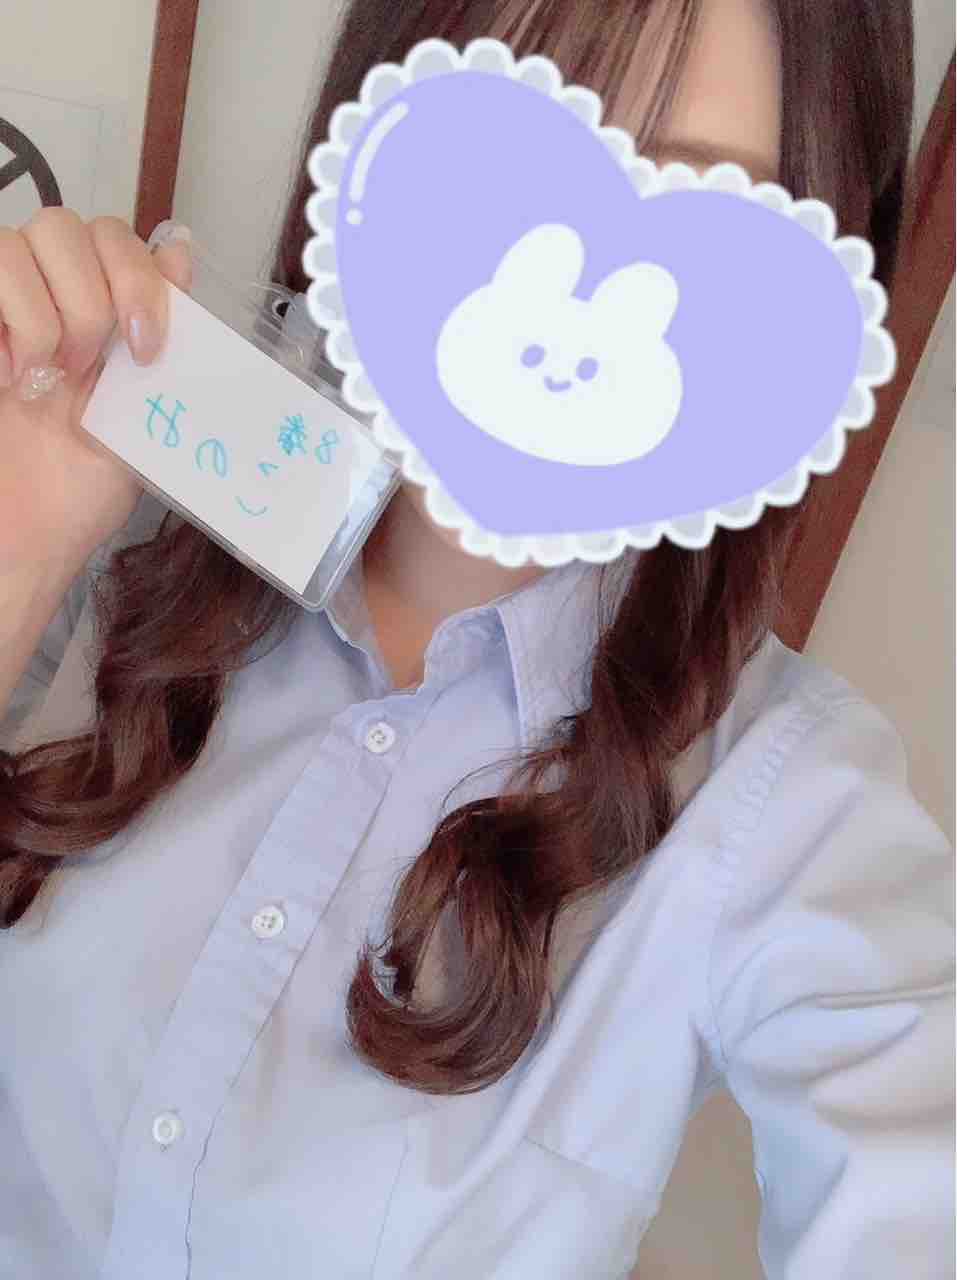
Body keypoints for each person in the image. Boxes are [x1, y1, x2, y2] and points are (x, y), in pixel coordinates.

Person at [0, 0, 952, 1276]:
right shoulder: (115, 520)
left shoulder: (787, 800)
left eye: (702, 206)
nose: (586, 256)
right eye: (517, 141)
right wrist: (20, 549)